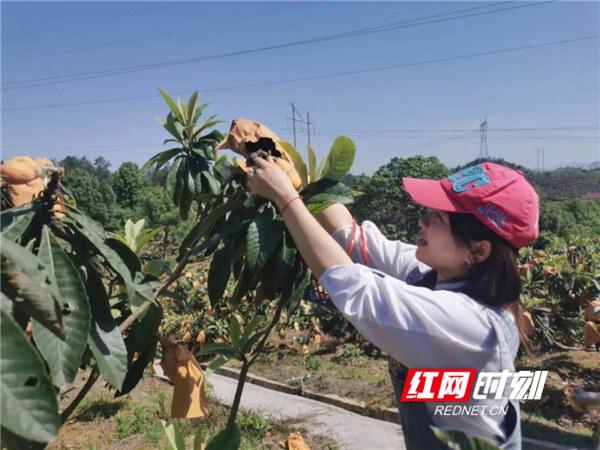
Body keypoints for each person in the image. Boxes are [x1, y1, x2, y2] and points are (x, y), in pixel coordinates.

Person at [246, 157, 539, 450]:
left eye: (437, 217)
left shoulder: (472, 326)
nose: (422, 220)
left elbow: (354, 285)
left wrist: (285, 199)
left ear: (477, 250)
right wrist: (293, 175)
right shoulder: (439, 274)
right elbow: (356, 240)